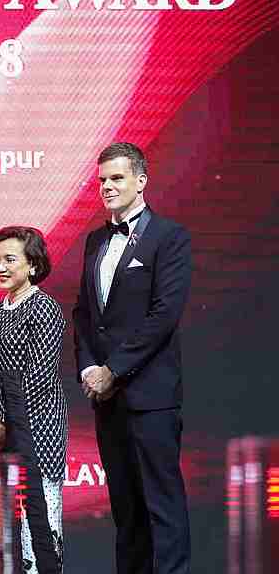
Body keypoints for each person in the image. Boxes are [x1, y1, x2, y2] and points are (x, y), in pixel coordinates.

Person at [73, 142, 192, 574]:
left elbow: (164, 315)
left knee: (163, 505)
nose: (107, 186)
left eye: (117, 178)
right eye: (102, 179)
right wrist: (89, 367)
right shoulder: (94, 240)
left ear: (141, 181)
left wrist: (114, 370)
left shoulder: (169, 236)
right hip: (106, 398)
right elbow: (85, 315)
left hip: (151, 394)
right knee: (126, 511)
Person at [0, 226, 67, 574]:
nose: (0, 267)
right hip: (0, 432)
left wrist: (4, 424)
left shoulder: (44, 308)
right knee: (5, 529)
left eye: (9, 260)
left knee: (39, 523)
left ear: (32, 265)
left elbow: (39, 376)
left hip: (37, 427)